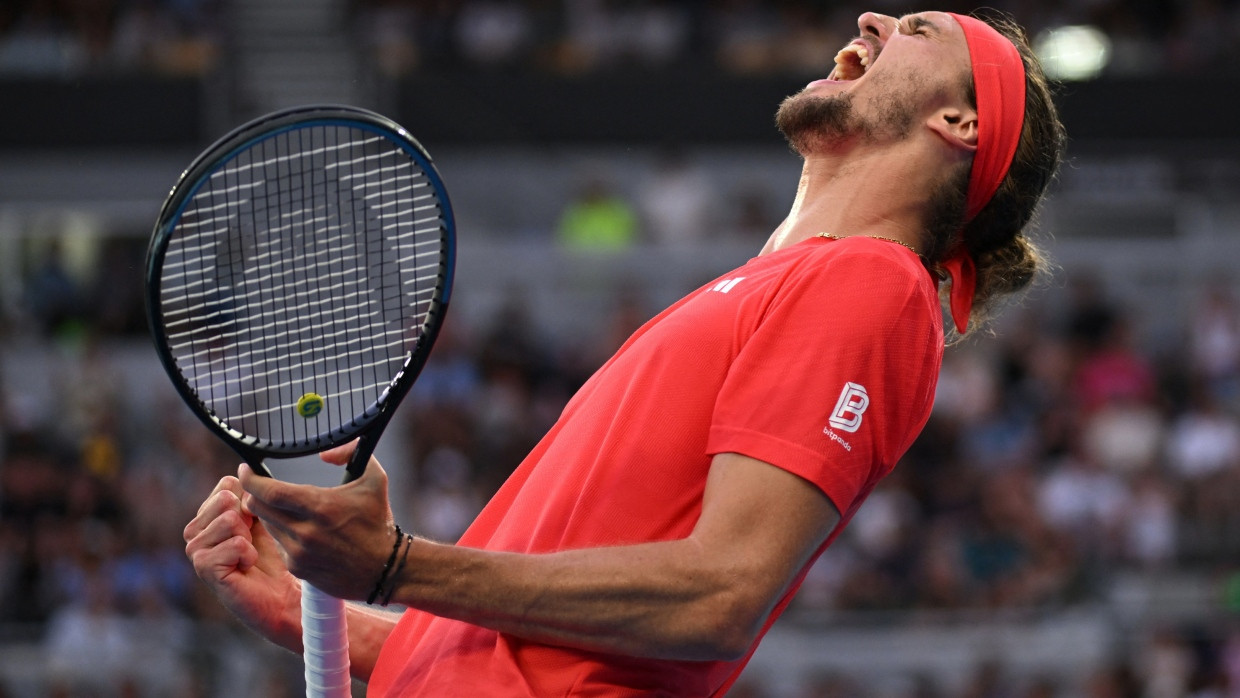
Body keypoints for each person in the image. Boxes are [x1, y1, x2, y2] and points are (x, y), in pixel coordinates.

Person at [184, 9, 1065, 696]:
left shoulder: (872, 283)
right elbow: (532, 660)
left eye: (918, 31)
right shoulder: (766, 290)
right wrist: (319, 616)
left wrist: (393, 566)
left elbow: (718, 597)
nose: (872, 20)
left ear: (958, 120)